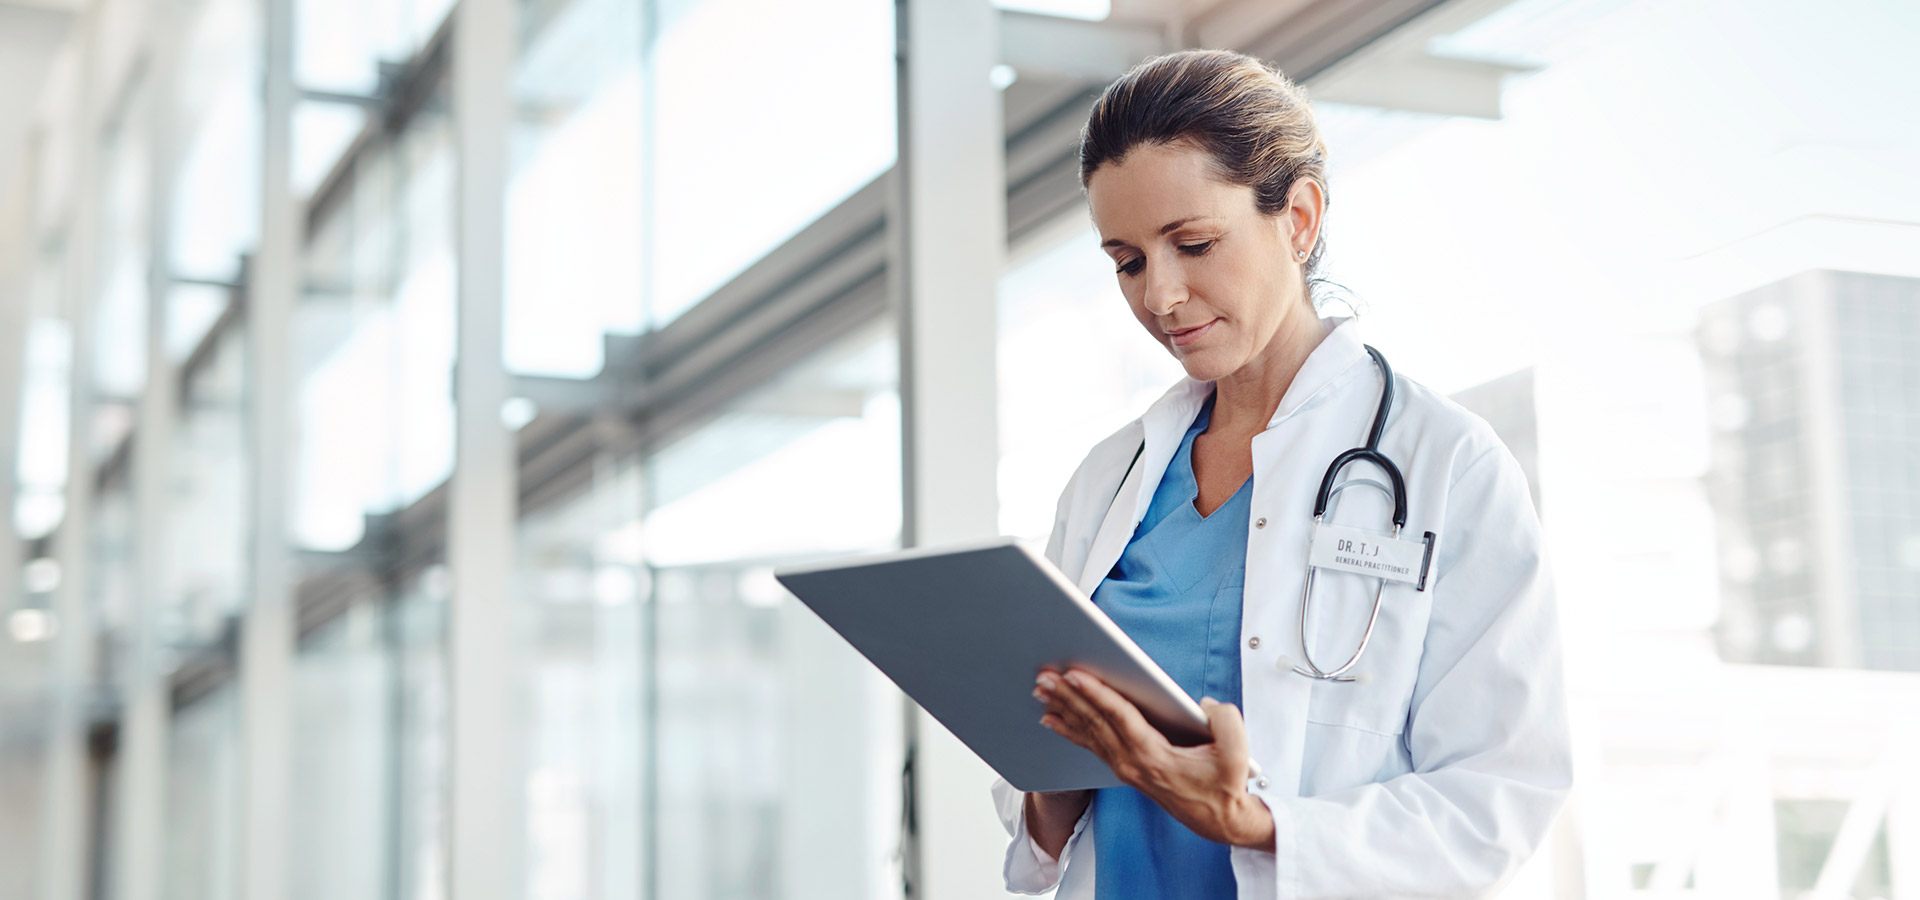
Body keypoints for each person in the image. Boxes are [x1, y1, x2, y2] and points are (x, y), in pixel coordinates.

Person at [989, 49, 1572, 898]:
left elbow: (1500, 800)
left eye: (1193, 243)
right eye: (1128, 261)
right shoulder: (1111, 479)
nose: (1161, 296)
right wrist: (1058, 777)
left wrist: (1256, 826)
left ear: (1298, 218)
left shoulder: (1446, 464)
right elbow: (1041, 806)